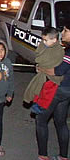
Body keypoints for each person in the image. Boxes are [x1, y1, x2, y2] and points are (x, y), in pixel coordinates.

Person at [36, 23, 70, 160]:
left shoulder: (69, 53)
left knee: (41, 119)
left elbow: (59, 71)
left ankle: (43, 155)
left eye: (66, 30)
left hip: (59, 89)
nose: (63, 32)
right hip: (67, 91)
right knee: (60, 122)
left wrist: (41, 69)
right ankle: (63, 156)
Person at [23, 27, 63, 113]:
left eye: (46, 40)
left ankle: (41, 106)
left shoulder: (58, 50)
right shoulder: (45, 46)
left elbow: (52, 62)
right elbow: (39, 55)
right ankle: (36, 102)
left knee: (47, 93)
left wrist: (42, 67)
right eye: (43, 40)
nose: (43, 42)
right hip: (43, 75)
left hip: (52, 78)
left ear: (54, 40)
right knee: (39, 88)